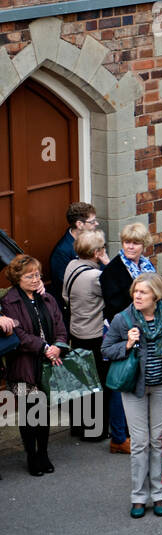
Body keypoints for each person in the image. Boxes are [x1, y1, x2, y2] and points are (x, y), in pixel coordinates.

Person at [102, 273, 162, 517]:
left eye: (143, 292)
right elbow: (106, 350)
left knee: (159, 440)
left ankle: (159, 493)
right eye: (135, 291)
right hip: (135, 389)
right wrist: (127, 344)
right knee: (140, 443)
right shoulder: (123, 319)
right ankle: (139, 496)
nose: (138, 295)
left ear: (157, 295)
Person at [2, 255, 67, 476]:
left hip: (47, 364)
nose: (34, 279)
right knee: (29, 414)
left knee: (44, 412)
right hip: (23, 367)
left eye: (37, 275)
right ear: (17, 278)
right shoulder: (9, 301)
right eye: (29, 276)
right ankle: (31, 455)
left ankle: (44, 453)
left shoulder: (46, 298)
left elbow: (59, 324)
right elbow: (17, 334)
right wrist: (44, 347)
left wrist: (58, 345)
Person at [99, 222, 158, 452]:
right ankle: (118, 437)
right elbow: (114, 307)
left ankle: (135, 430)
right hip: (124, 332)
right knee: (121, 382)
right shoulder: (112, 271)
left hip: (148, 329)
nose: (130, 247)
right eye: (126, 242)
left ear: (144, 245)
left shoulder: (146, 265)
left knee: (141, 379)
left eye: (135, 243)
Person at [62, 228, 111, 441]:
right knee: (97, 382)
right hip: (94, 333)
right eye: (102, 249)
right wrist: (108, 263)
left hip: (76, 330)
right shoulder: (95, 276)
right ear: (96, 252)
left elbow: (65, 296)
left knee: (80, 380)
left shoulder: (72, 265)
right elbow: (117, 290)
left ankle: (78, 426)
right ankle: (95, 430)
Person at [49, 202, 99, 317]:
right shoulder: (62, 252)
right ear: (79, 224)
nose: (96, 224)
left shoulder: (93, 240)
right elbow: (65, 285)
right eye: (92, 222)